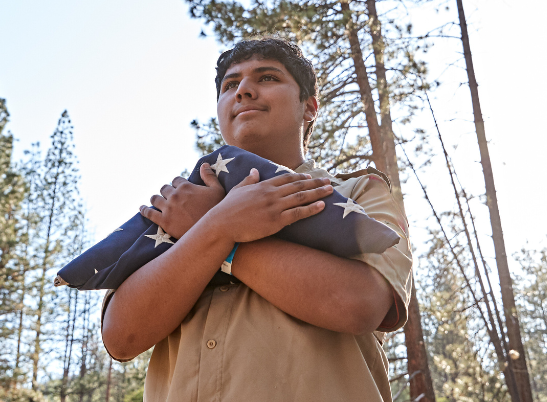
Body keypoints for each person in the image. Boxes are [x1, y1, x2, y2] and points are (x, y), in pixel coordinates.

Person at [101, 37, 414, 402]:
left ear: (309, 107)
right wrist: (215, 225)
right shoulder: (176, 208)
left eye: (266, 78)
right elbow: (121, 337)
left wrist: (219, 236)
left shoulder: (359, 193)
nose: (243, 91)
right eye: (230, 85)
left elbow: (360, 304)